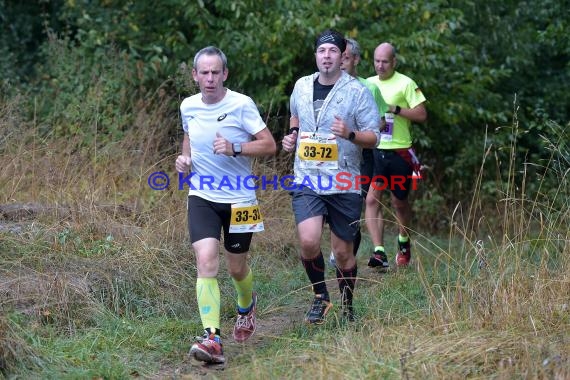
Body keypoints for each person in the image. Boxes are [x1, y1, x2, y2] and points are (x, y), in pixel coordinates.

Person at [175, 46, 277, 365]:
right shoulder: (188, 106)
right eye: (203, 72)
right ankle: (212, 338)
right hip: (202, 195)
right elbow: (189, 136)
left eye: (215, 72)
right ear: (195, 75)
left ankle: (247, 305)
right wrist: (185, 159)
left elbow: (270, 145)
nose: (209, 78)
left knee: (236, 266)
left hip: (240, 197)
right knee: (206, 260)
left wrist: (235, 147)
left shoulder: (241, 104)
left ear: (225, 74)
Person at [282, 29, 381, 323]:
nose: (327, 56)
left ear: (342, 57)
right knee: (309, 241)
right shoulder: (301, 86)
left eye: (333, 51)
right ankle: (320, 297)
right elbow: (295, 115)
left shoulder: (356, 91)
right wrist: (292, 135)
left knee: (343, 252)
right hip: (307, 178)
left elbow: (373, 137)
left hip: (343, 180)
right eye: (322, 51)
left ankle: (348, 305)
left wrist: (349, 134)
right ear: (316, 55)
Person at [364, 42, 427, 269]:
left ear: (394, 62)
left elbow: (421, 114)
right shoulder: (368, 84)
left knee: (399, 203)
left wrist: (395, 109)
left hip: (400, 151)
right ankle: (379, 251)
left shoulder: (406, 83)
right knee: (372, 200)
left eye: (385, 62)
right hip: (377, 150)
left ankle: (403, 240)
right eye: (377, 61)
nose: (380, 66)